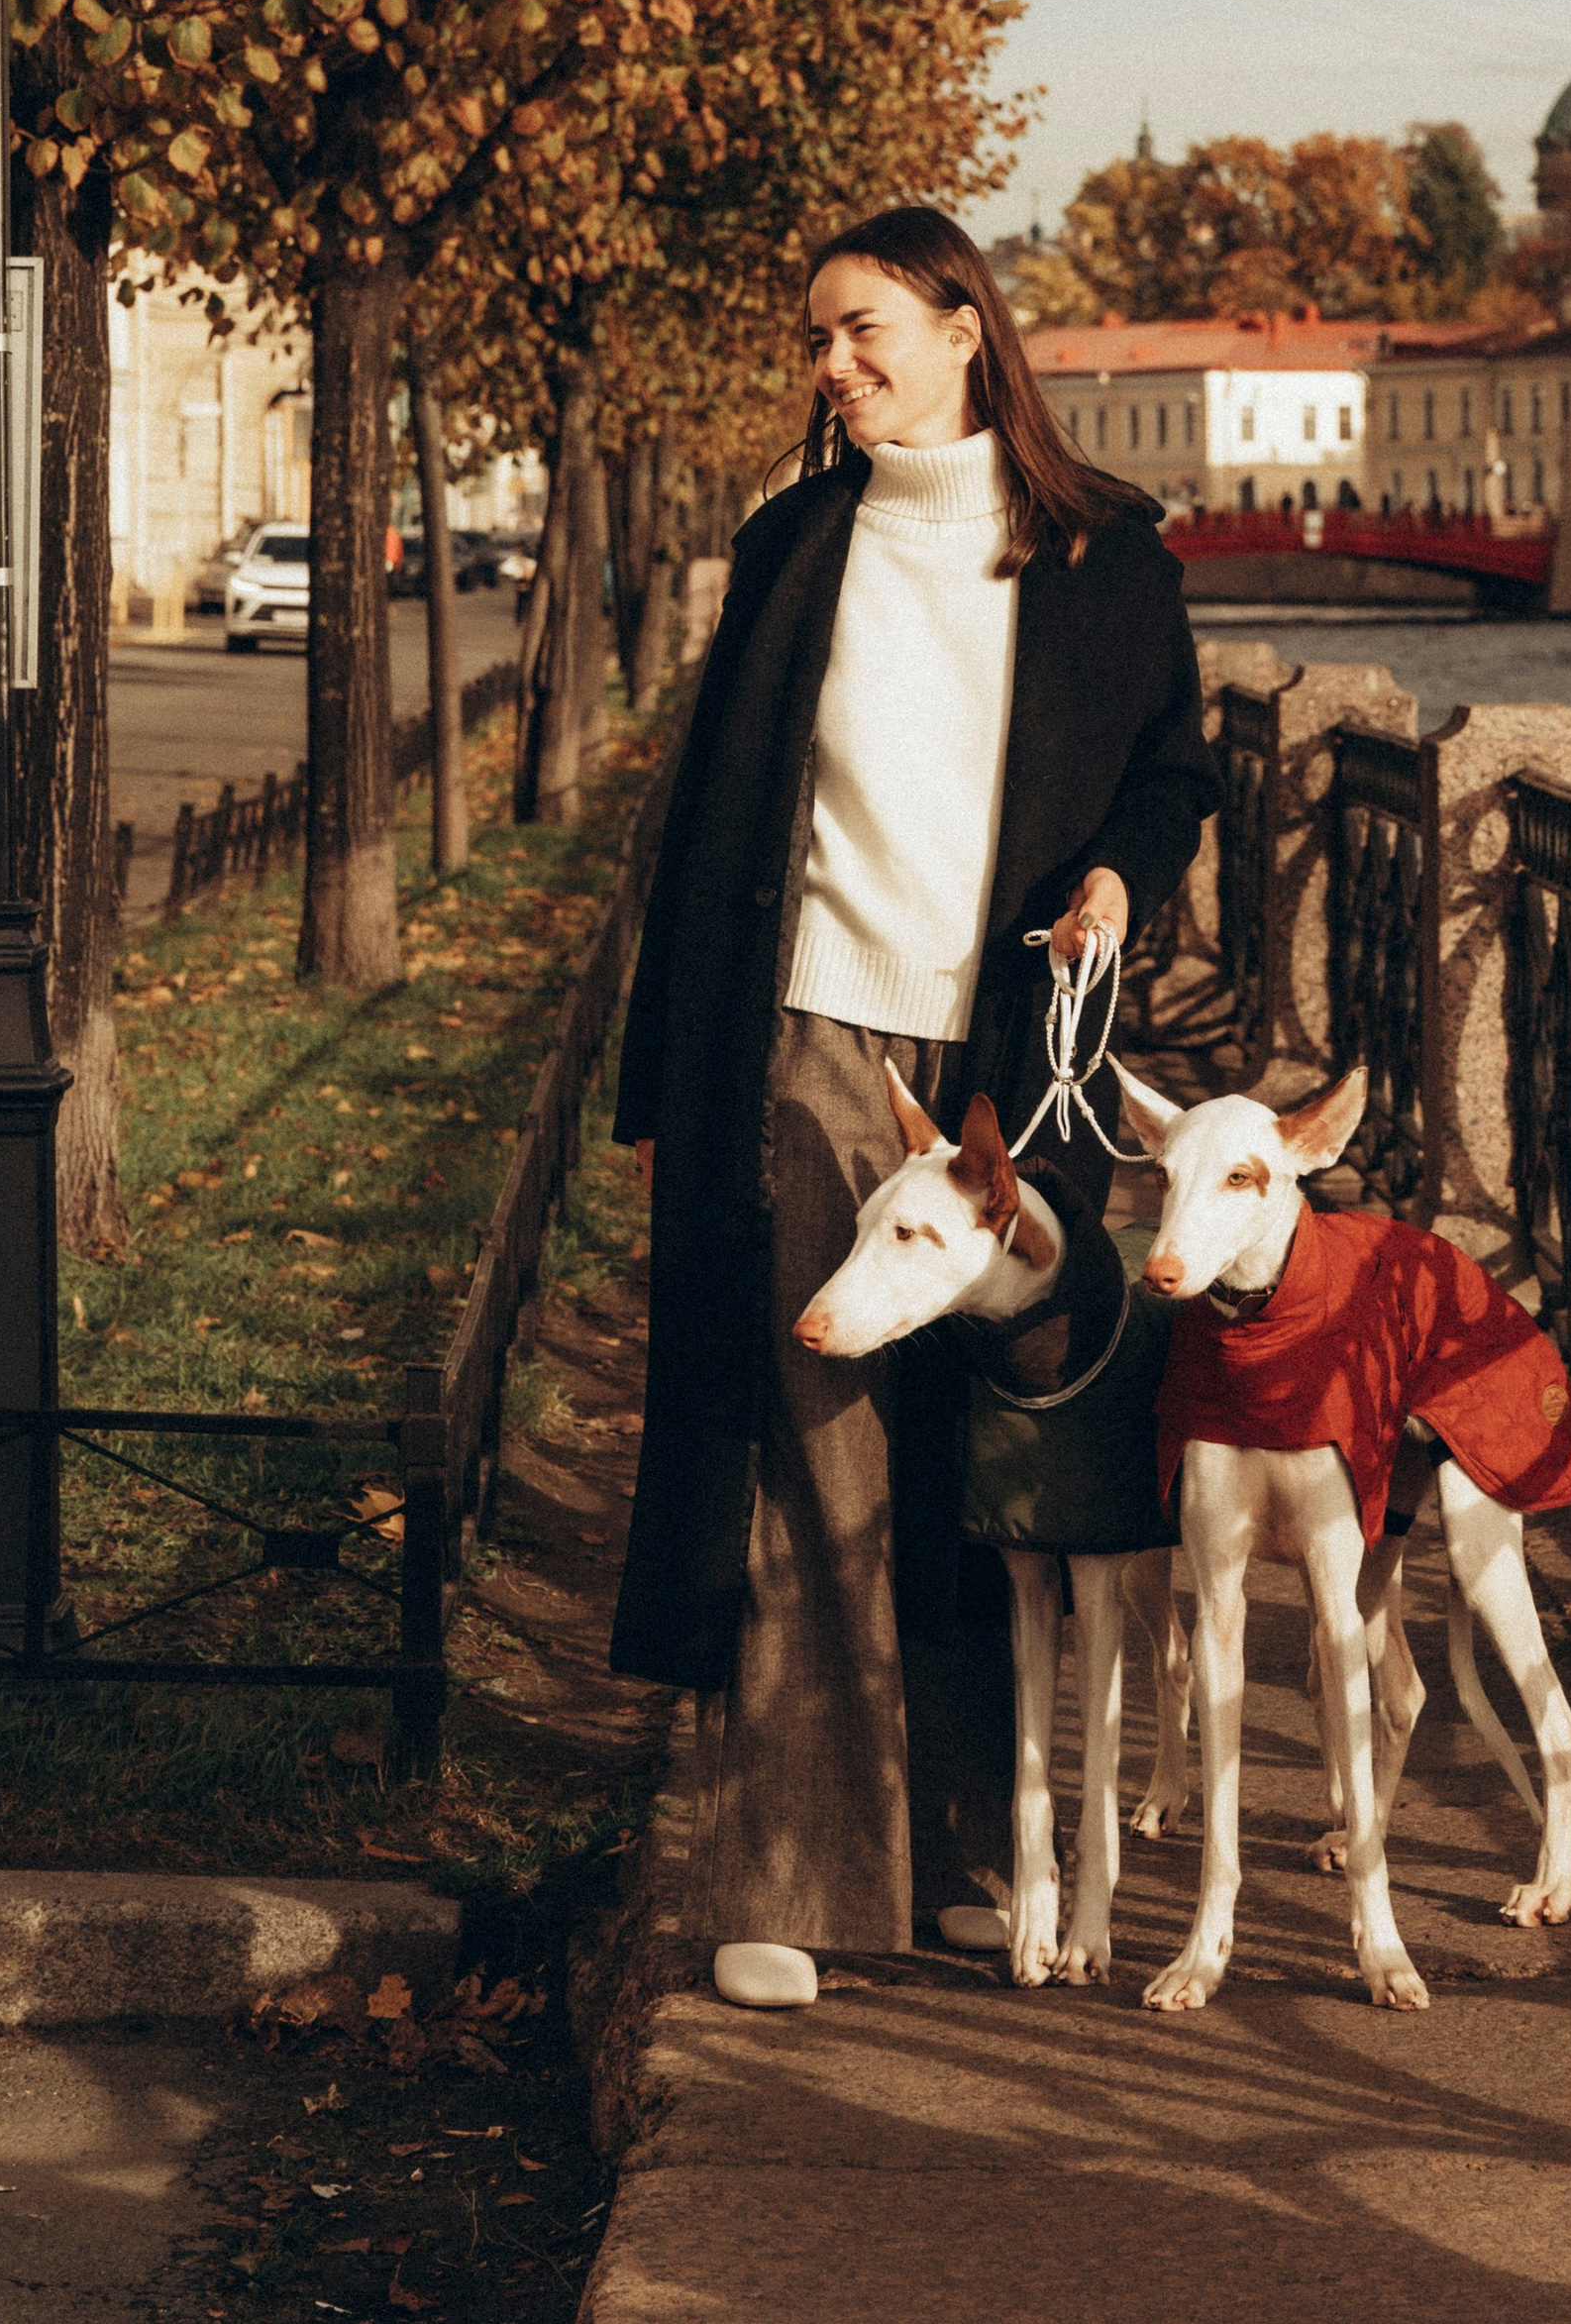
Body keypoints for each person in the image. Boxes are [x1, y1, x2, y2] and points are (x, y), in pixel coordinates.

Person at [609, 204, 1216, 2009]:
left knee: (982, 1455)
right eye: (818, 339)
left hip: (1014, 1061)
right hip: (812, 1034)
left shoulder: (1111, 558)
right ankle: (794, 1872)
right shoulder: (797, 542)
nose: (835, 366)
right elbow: (717, 811)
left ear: (966, 325)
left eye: (865, 328)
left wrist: (1121, 869)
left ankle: (967, 1846)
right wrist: (673, 1069)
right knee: (813, 1429)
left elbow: (1175, 769)